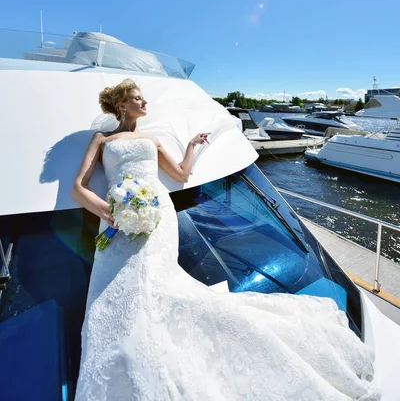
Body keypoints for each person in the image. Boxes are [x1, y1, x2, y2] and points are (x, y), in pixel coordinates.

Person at [73, 79, 380, 401]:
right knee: (114, 291)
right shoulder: (102, 139)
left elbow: (180, 175)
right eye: (138, 98)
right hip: (118, 216)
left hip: (157, 212)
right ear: (123, 104)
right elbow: (77, 188)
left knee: (156, 281)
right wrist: (110, 213)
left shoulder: (151, 139)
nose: (144, 103)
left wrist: (192, 146)